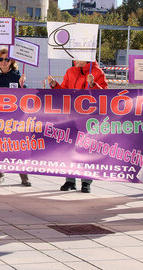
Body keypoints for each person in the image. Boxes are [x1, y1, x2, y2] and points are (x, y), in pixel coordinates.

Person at [46, 60, 108, 193]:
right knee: (69, 148)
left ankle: (86, 182)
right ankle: (70, 180)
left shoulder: (97, 72)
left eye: (78, 57)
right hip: (71, 116)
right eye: (74, 57)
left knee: (87, 150)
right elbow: (64, 92)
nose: (75, 60)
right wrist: (54, 85)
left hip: (89, 118)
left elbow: (105, 94)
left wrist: (93, 84)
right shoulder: (70, 71)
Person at [0, 48, 31, 186]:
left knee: (18, 147)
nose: (4, 62)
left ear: (12, 61)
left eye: (7, 59)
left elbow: (27, 96)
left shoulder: (17, 76)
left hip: (15, 118)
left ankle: (24, 177)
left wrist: (23, 84)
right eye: (1, 59)